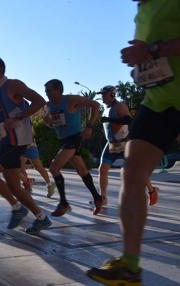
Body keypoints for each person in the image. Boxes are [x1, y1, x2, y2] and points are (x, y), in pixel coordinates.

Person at [87, 1, 180, 282]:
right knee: (131, 172)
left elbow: (159, 48)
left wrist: (153, 51)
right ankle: (129, 265)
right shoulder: (143, 9)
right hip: (159, 103)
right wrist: (141, 67)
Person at [0, 56, 51, 234]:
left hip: (16, 140)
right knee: (13, 185)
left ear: (0, 70)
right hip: (6, 140)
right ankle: (41, 218)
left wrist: (18, 117)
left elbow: (40, 101)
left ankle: (17, 208)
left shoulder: (12, 85)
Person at [43, 79, 103, 216]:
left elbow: (95, 105)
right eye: (46, 90)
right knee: (82, 170)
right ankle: (97, 198)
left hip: (75, 138)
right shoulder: (49, 105)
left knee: (54, 167)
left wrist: (89, 126)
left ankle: (63, 203)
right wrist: (48, 121)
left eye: (49, 90)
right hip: (63, 140)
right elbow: (50, 123)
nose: (47, 93)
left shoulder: (71, 99)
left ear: (58, 90)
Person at [96, 85, 159, 208]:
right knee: (102, 169)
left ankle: (152, 191)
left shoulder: (119, 106)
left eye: (104, 94)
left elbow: (128, 120)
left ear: (112, 94)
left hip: (125, 143)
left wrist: (109, 119)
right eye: (101, 94)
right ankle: (103, 198)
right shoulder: (106, 108)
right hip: (111, 143)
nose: (101, 96)